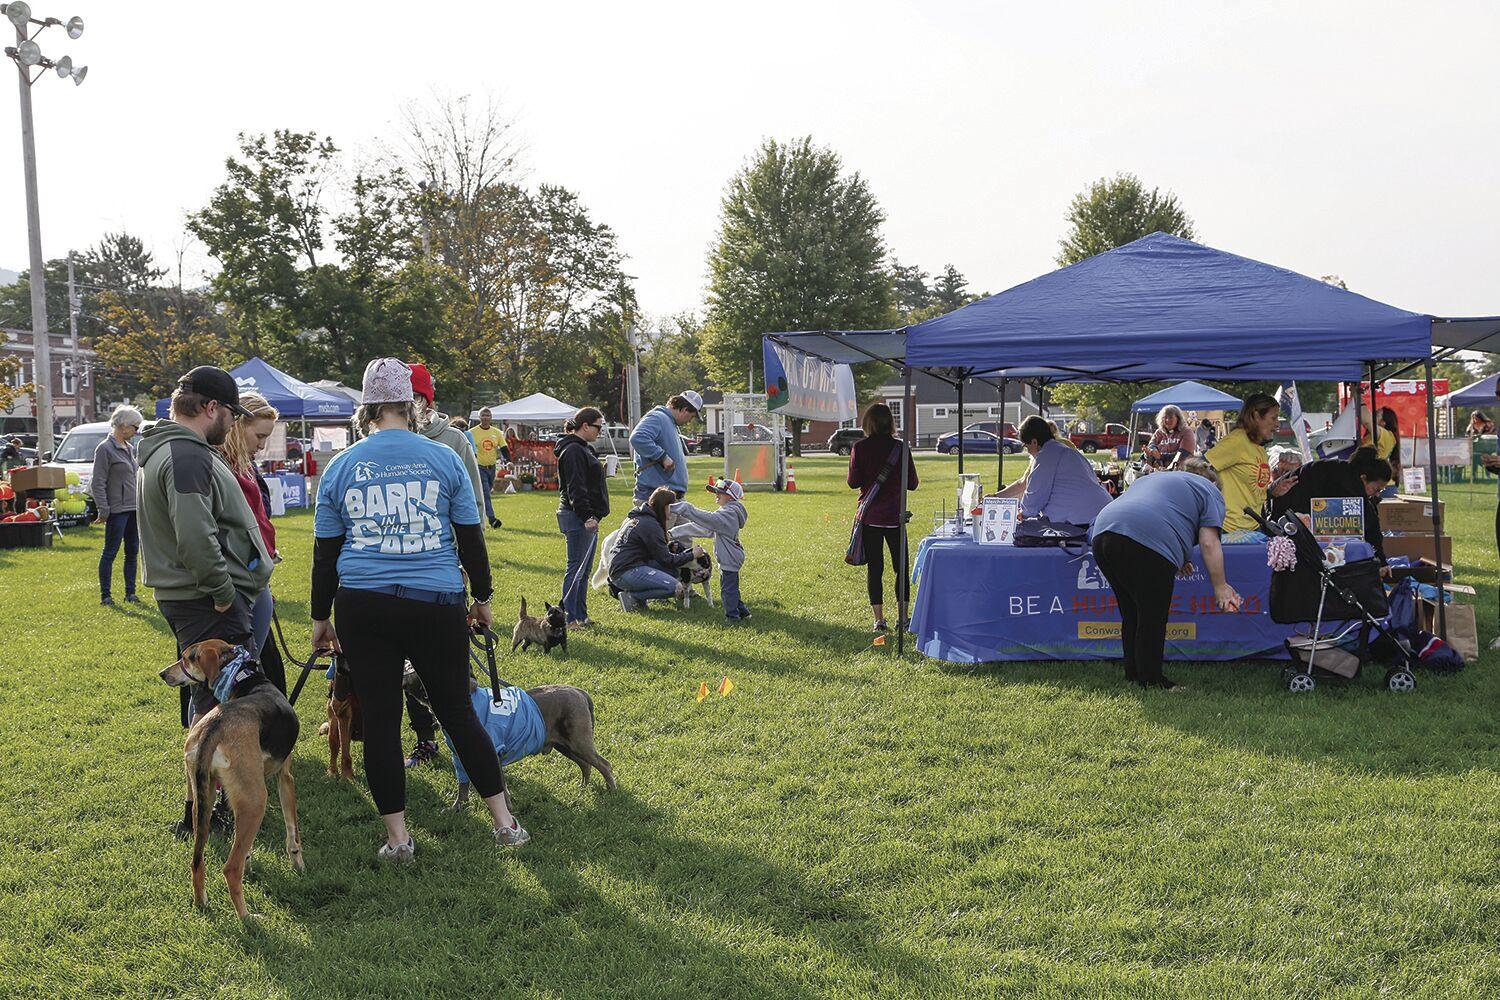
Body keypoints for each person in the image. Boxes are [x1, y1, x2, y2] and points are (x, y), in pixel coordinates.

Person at [311, 358, 527, 859]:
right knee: (457, 713)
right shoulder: (444, 457)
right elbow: (471, 541)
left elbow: (325, 554)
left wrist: (321, 617)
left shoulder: (342, 466)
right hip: (436, 600)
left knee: (383, 721)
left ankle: (399, 839)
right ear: (411, 406)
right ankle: (505, 824)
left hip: (363, 604)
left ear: (366, 408)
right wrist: (482, 600)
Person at [137, 366, 271, 836]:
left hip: (196, 596)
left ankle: (204, 808)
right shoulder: (186, 455)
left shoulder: (177, 451)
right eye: (231, 415)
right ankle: (206, 810)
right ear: (211, 408)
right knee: (221, 703)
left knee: (211, 697)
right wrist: (223, 592)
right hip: (205, 599)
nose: (233, 425)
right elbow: (195, 538)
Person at [398, 362, 487, 768]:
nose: (408, 406)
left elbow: (475, 511)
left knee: (449, 662)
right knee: (403, 666)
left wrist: (469, 565)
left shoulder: (453, 441)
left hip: (444, 569)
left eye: (415, 398)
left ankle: (469, 736)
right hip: (393, 574)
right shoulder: (386, 440)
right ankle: (425, 738)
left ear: (426, 401)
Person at [1089, 461, 1241, 690]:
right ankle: (1152, 680)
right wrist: (1220, 586)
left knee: (1132, 612)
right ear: (1213, 483)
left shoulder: (1157, 478)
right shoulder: (1210, 490)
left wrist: (1179, 557)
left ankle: (1134, 672)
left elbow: (1170, 513)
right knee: (1152, 615)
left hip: (1103, 532)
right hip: (1144, 537)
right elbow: (1209, 543)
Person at [218, 392, 282, 674]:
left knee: (249, 667)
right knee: (233, 673)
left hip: (254, 576)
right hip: (240, 578)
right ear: (238, 425)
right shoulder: (223, 466)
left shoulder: (243, 466)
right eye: (259, 436)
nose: (262, 445)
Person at [847, 402, 919, 632]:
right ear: (891, 422)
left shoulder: (860, 448)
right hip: (895, 517)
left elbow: (853, 482)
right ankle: (903, 617)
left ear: (867, 423)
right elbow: (913, 483)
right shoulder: (901, 448)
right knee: (901, 567)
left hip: (871, 517)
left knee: (875, 568)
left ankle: (879, 619)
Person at [1270, 446, 1392, 563]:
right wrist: (1381, 559)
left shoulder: (1348, 476)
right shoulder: (1343, 484)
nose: (1376, 495)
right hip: (1287, 520)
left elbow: (1371, 526)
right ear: (1363, 478)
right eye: (1377, 489)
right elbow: (1371, 524)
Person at [997, 415, 1112, 526]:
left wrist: (1020, 514)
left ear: (1034, 442)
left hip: (1082, 520)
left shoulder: (1046, 456)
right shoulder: (1069, 452)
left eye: (1026, 446)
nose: (1027, 451)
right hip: (1103, 512)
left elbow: (1032, 502)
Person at [555, 406, 609, 629]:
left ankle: (581, 616)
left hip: (586, 516)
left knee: (584, 570)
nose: (600, 431)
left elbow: (585, 480)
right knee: (576, 568)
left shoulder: (582, 449)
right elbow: (575, 487)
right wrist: (587, 516)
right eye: (598, 426)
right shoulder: (574, 450)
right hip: (578, 517)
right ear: (585, 426)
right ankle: (568, 619)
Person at [608, 486, 702, 612]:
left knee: (674, 572)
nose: (672, 513)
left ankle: (638, 597)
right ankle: (632, 597)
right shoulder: (650, 525)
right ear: (663, 507)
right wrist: (692, 554)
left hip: (626, 567)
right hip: (626, 571)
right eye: (670, 508)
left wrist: (668, 547)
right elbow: (667, 560)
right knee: (675, 588)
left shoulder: (643, 518)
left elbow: (655, 553)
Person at [673, 477, 750, 622]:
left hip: (730, 558)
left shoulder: (727, 515)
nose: (716, 495)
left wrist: (686, 509)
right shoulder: (726, 512)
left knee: (727, 590)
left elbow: (707, 519)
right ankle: (744, 613)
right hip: (730, 556)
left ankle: (732, 618)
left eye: (719, 492)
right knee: (731, 587)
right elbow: (702, 528)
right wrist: (674, 532)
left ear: (730, 496)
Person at [1205, 393, 1282, 538]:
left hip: (1252, 527)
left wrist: (1272, 492)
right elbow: (1199, 469)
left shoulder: (1258, 447)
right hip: (1229, 529)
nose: (1277, 424)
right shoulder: (1237, 440)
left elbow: (1249, 490)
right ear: (1256, 416)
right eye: (1274, 418)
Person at [91, 404, 143, 606]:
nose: (136, 431)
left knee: (132, 551)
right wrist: (103, 509)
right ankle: (106, 595)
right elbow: (98, 481)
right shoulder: (104, 449)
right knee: (110, 552)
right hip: (116, 510)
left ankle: (130, 593)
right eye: (134, 427)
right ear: (122, 426)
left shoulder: (129, 449)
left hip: (132, 508)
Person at [629, 390, 702, 505]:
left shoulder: (668, 421)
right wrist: (662, 457)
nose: (689, 421)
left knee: (691, 524)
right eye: (691, 417)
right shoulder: (658, 417)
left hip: (670, 498)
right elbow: (638, 437)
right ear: (684, 410)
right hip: (656, 499)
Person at [469, 408, 505, 529]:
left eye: (487, 415)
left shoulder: (497, 432)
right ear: (479, 417)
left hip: (492, 467)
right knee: (485, 493)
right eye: (483, 415)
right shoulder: (472, 432)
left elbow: (504, 447)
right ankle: (492, 519)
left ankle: (476, 515)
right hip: (479, 467)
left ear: (491, 417)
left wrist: (509, 461)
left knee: (486, 493)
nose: (485, 417)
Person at [1145, 404, 1197, 469]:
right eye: (1165, 417)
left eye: (1170, 417)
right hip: (1159, 471)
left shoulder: (1186, 431)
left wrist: (1161, 456)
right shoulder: (1159, 432)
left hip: (1181, 471)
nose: (1167, 420)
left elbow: (1183, 454)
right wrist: (1152, 451)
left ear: (1178, 418)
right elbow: (1152, 445)